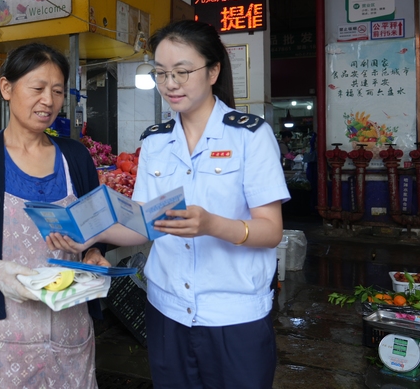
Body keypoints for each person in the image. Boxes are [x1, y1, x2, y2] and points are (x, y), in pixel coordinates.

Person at [49, 20, 290, 388]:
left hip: (233, 316)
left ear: (213, 71)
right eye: (161, 74)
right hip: (168, 312)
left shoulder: (250, 136)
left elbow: (271, 230)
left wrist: (212, 225)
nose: (170, 84)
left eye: (182, 72)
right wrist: (84, 237)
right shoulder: (156, 142)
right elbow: (143, 221)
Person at [0, 42, 108, 389]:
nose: (49, 100)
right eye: (38, 88)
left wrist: (94, 253)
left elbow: (98, 230)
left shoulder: (76, 158)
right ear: (6, 88)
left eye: (57, 91)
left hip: (69, 335)